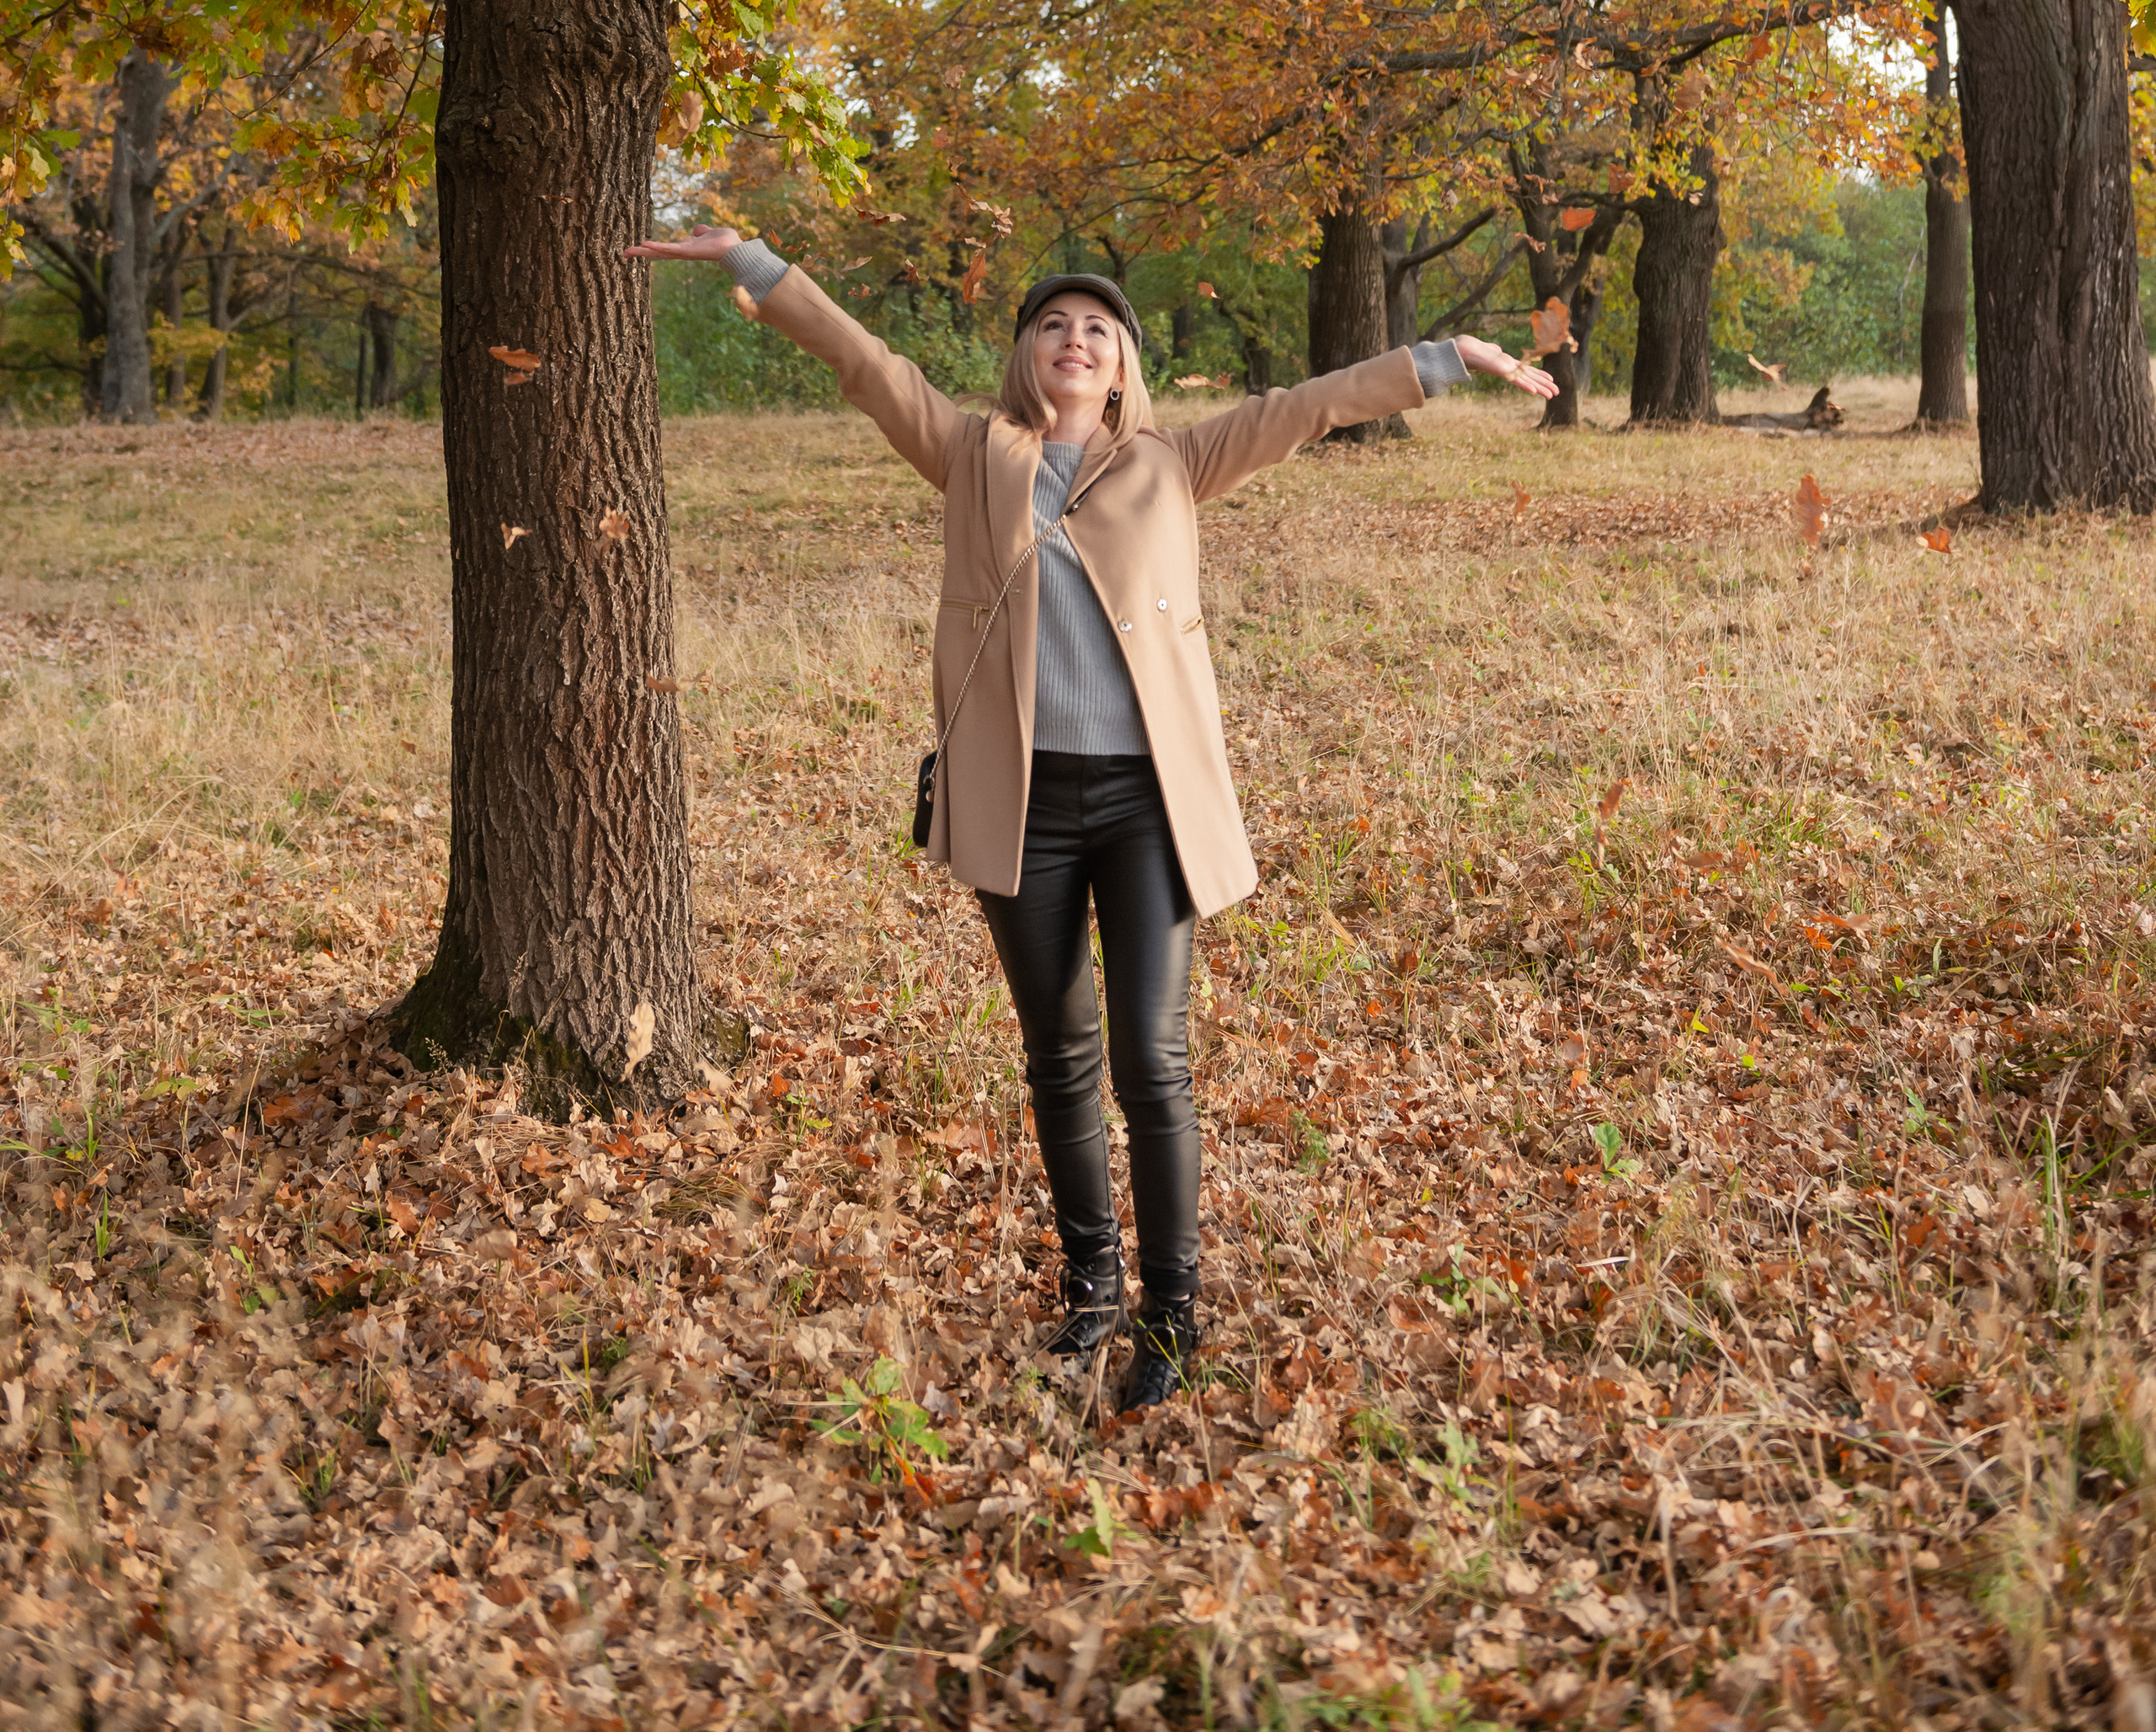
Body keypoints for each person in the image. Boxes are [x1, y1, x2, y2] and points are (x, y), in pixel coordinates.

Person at [623, 226, 1556, 1406]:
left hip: (1147, 803)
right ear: (1027, 356)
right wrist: (755, 264)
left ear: (1122, 367)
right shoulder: (971, 454)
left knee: (1149, 1064)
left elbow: (1307, 405)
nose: (1076, 341)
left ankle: (1171, 1317)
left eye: (1098, 331)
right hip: (1024, 806)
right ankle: (1091, 1296)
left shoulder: (1174, 460)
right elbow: (865, 362)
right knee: (1058, 1060)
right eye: (1055, 326)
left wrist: (1447, 356)